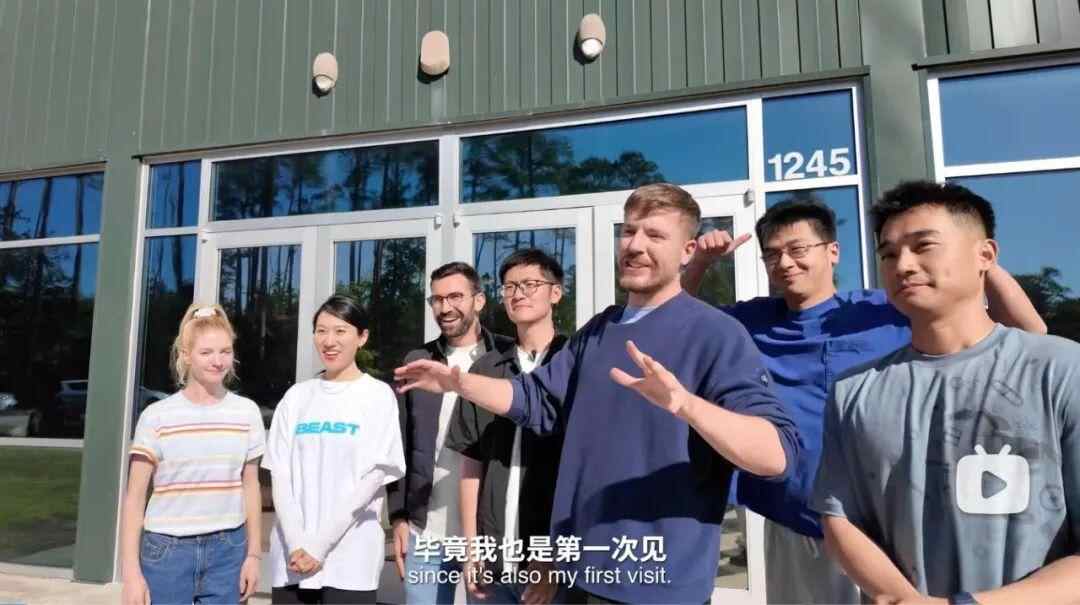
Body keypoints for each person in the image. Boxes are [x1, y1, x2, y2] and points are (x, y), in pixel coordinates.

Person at [396, 183, 801, 604]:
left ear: (687, 251)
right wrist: (459, 382)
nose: (635, 245)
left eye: (655, 235)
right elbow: (534, 399)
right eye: (629, 231)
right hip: (578, 576)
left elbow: (776, 455)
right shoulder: (599, 330)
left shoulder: (715, 333)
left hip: (655, 587)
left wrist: (686, 405)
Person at [683, 197, 1046, 603]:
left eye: (798, 249)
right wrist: (699, 264)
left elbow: (1028, 331)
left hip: (890, 522)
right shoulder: (751, 322)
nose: (785, 263)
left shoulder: (885, 308)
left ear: (832, 252)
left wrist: (976, 255)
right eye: (772, 254)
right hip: (797, 521)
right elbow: (679, 324)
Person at [811, 181, 1080, 603]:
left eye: (924, 246)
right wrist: (903, 599)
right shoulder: (853, 392)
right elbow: (841, 518)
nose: (903, 265)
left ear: (985, 255)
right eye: (888, 254)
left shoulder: (1061, 369)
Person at [263, 295, 405, 604]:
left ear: (362, 337)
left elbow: (372, 480)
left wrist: (318, 546)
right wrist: (298, 543)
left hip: (350, 561)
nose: (329, 341)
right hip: (291, 559)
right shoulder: (296, 397)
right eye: (321, 331)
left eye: (340, 331)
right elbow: (280, 475)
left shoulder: (378, 396)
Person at [446, 249, 569, 604]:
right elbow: (471, 463)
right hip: (494, 564)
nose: (518, 293)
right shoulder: (485, 369)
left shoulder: (573, 362)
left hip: (554, 565)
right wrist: (473, 548)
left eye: (530, 284)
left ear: (555, 292)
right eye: (510, 286)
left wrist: (553, 557)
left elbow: (585, 470)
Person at [120, 303, 265, 605]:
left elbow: (250, 486)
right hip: (167, 555)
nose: (218, 361)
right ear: (186, 355)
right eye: (206, 352)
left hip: (228, 551)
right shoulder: (157, 416)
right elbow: (134, 499)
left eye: (225, 351)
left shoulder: (247, 412)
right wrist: (131, 574)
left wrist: (253, 555)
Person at [387, 262, 514, 604]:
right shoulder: (418, 361)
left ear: (479, 300)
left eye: (455, 296)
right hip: (426, 528)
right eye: (437, 299)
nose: (445, 308)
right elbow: (399, 442)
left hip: (489, 532)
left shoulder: (506, 357)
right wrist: (398, 517)